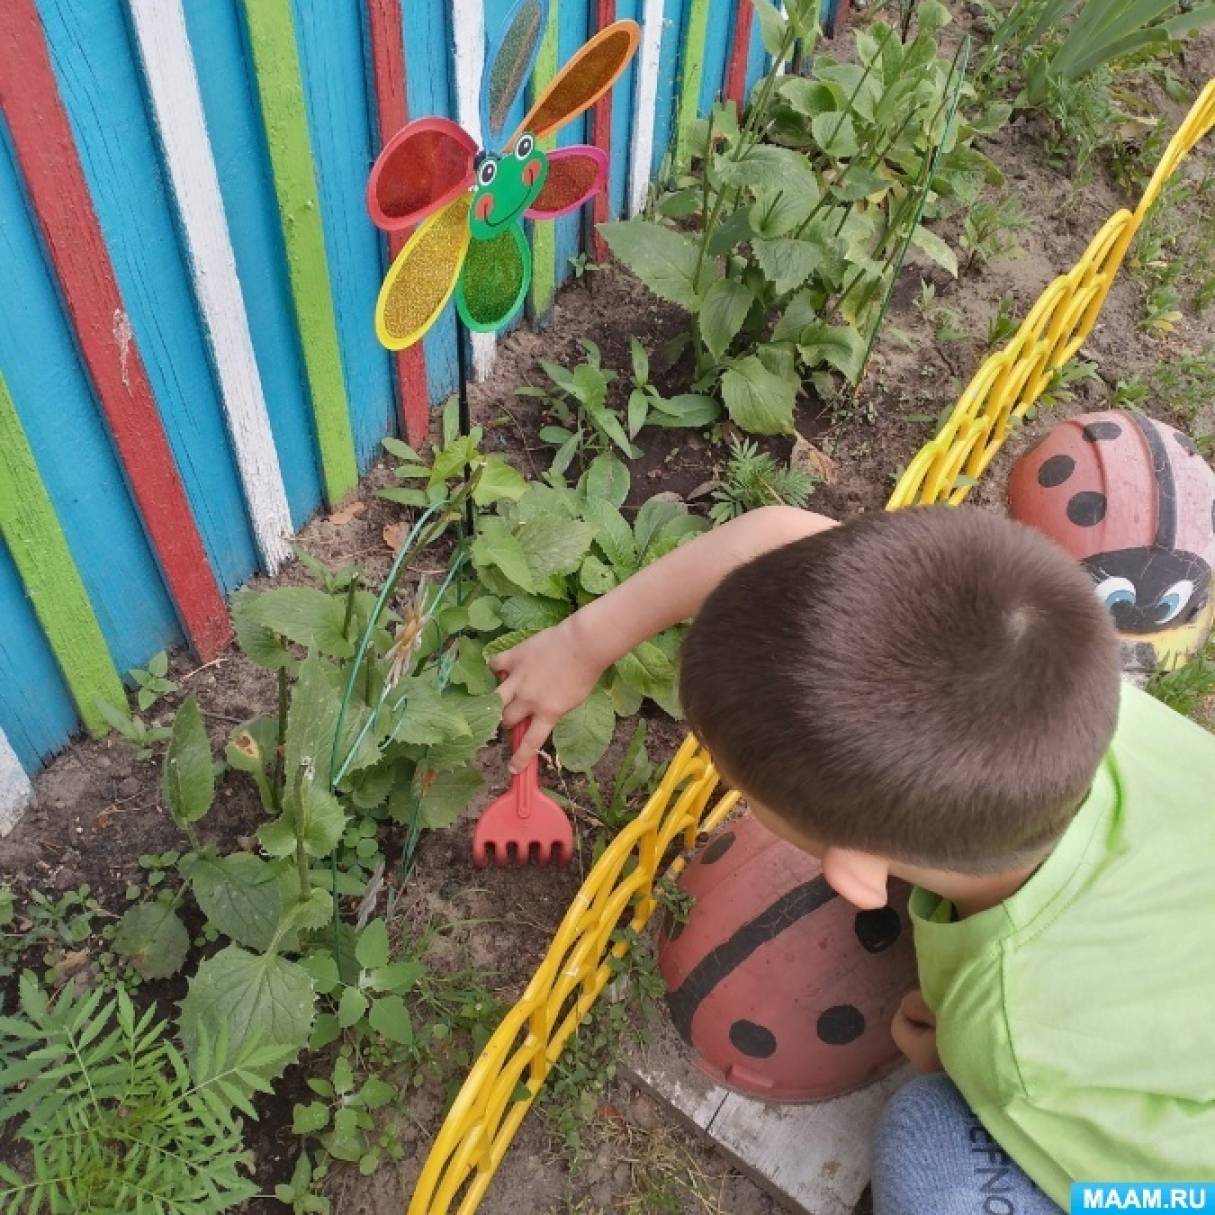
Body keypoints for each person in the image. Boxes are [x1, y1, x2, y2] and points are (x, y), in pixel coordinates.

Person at [490, 503, 1215, 1214]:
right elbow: (777, 535)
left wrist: (965, 1069)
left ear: (858, 875)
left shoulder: (1008, 1039)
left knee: (929, 1131)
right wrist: (580, 642)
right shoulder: (1074, 691)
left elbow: (1158, 1198)